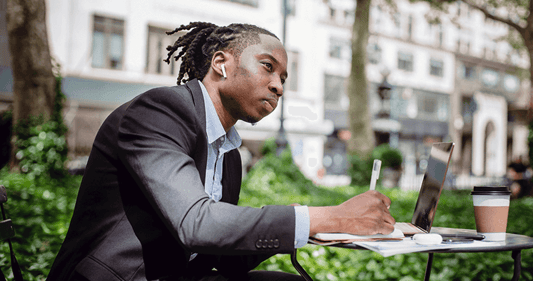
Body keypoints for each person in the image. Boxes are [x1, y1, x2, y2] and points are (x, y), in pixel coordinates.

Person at [47, 22, 395, 281]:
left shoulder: (228, 154)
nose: (278, 86)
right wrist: (326, 216)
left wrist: (312, 226)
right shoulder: (160, 111)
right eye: (267, 66)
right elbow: (196, 224)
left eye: (284, 79)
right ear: (221, 64)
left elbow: (218, 253)